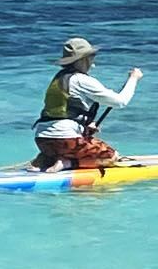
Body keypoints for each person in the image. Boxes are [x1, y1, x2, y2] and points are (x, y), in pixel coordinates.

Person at [33, 36, 130, 171]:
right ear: (82, 59)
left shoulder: (59, 77)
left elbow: (63, 113)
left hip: (43, 140)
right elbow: (120, 102)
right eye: (91, 57)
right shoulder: (81, 80)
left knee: (65, 146)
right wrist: (134, 79)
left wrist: (84, 126)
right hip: (66, 139)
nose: (93, 63)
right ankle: (67, 163)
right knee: (111, 157)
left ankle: (47, 159)